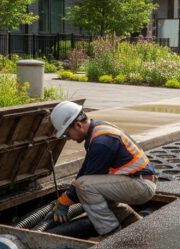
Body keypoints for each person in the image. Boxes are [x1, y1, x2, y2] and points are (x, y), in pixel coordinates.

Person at [49, 100, 157, 236]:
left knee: (85, 187)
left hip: (141, 186)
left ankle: (109, 233)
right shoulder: (97, 131)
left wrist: (66, 201)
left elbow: (86, 179)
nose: (68, 139)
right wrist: (66, 197)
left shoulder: (102, 142)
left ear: (78, 125)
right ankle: (130, 220)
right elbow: (86, 170)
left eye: (66, 134)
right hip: (137, 181)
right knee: (90, 187)